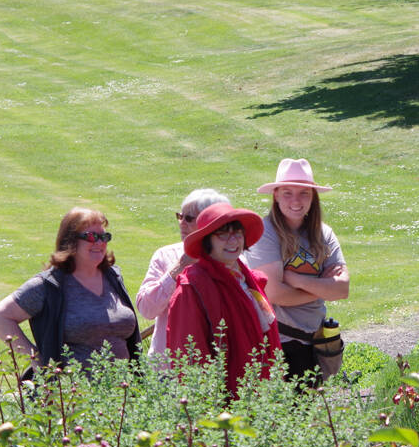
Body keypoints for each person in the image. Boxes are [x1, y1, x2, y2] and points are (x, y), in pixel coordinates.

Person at [0, 207, 141, 374]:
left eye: (104, 237)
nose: (100, 242)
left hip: (121, 392)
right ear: (71, 241)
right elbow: (0, 317)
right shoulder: (49, 285)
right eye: (91, 236)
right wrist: (37, 361)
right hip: (72, 395)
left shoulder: (113, 277)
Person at [245, 158, 349, 382]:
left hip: (316, 342)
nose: (296, 200)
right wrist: (323, 287)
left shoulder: (324, 234)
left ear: (313, 197)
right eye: (287, 193)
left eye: (304, 193)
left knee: (310, 414)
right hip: (279, 343)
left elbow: (342, 289)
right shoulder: (264, 233)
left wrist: (295, 279)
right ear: (275, 195)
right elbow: (274, 293)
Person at [166, 202, 282, 396]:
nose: (232, 240)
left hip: (260, 396)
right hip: (225, 406)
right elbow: (190, 358)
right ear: (206, 240)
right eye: (222, 233)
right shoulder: (192, 287)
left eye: (237, 232)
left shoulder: (246, 279)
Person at [136, 188, 230, 365]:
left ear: (211, 222)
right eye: (180, 216)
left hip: (220, 368)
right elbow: (146, 309)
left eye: (189, 218)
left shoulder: (235, 260)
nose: (181, 223)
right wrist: (178, 268)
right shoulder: (165, 256)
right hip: (167, 371)